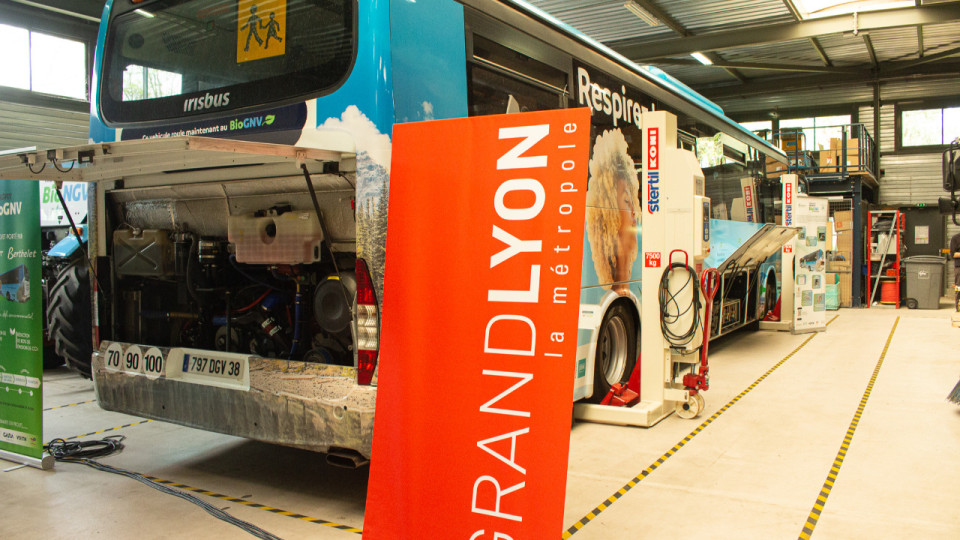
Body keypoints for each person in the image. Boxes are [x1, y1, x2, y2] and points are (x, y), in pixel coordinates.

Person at [951, 231, 960, 311]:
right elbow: (953, 254)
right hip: (959, 267)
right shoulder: (955, 238)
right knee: (959, 287)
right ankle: (958, 307)